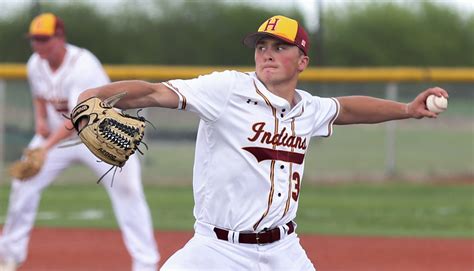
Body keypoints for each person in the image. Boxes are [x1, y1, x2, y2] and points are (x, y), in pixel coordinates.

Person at [74, 15, 449, 270]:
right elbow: (154, 93)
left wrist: (407, 108)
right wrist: (97, 94)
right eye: (261, 45)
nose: (267, 52)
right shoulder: (226, 90)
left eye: (279, 46)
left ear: (302, 60)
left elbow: (346, 109)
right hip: (216, 250)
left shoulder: (307, 109)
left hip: (283, 250)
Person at [0, 13, 159, 271]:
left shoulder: (83, 65)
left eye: (43, 39)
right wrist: (40, 119)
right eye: (34, 40)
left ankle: (146, 264)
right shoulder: (35, 63)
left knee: (129, 190)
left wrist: (44, 147)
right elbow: (39, 94)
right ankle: (9, 256)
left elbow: (77, 117)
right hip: (54, 137)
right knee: (23, 183)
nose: (38, 45)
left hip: (99, 137)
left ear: (60, 38)